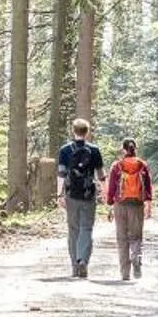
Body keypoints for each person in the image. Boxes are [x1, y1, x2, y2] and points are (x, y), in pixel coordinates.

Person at [55, 119, 105, 278]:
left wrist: (59, 194)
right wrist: (104, 193)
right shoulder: (94, 150)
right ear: (87, 132)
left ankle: (74, 266)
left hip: (71, 195)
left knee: (73, 229)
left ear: (73, 131)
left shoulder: (65, 150)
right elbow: (101, 175)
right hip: (88, 194)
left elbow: (61, 175)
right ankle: (83, 260)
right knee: (87, 229)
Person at [104, 137, 154, 280]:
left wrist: (109, 204)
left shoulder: (117, 166)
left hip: (120, 205)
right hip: (137, 205)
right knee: (136, 237)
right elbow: (148, 187)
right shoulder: (142, 165)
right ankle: (136, 257)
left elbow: (112, 188)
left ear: (123, 149)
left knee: (122, 238)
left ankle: (125, 273)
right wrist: (148, 205)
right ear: (135, 149)